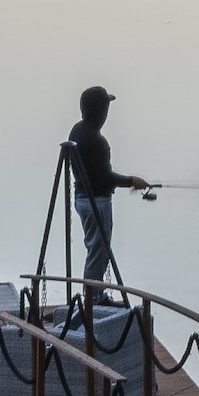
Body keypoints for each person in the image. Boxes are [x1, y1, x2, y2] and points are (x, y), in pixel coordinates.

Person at [65, 85, 150, 302]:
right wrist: (132, 180)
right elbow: (104, 178)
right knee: (98, 251)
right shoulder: (98, 142)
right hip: (97, 203)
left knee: (94, 247)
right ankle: (93, 299)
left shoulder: (77, 130)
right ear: (101, 111)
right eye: (106, 107)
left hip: (81, 198)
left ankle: (93, 294)